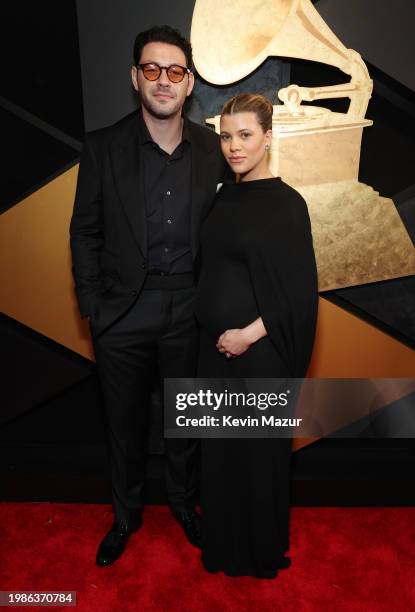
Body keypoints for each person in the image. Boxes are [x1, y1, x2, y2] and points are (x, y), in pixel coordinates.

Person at [70, 25, 226, 567]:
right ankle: (125, 516)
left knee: (187, 419)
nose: (164, 80)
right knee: (124, 424)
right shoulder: (102, 146)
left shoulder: (213, 149)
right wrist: (93, 306)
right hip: (122, 313)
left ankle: (185, 506)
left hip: (191, 309)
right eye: (152, 69)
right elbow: (84, 231)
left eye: (175, 71)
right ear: (135, 77)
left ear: (189, 84)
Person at [195, 93, 319, 578]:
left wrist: (246, 335)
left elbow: (298, 295)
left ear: (269, 137)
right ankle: (223, 548)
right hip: (215, 356)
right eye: (226, 136)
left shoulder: (288, 205)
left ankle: (259, 554)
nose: (233, 146)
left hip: (258, 356)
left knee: (257, 456)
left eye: (245, 135)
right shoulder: (225, 196)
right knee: (221, 456)